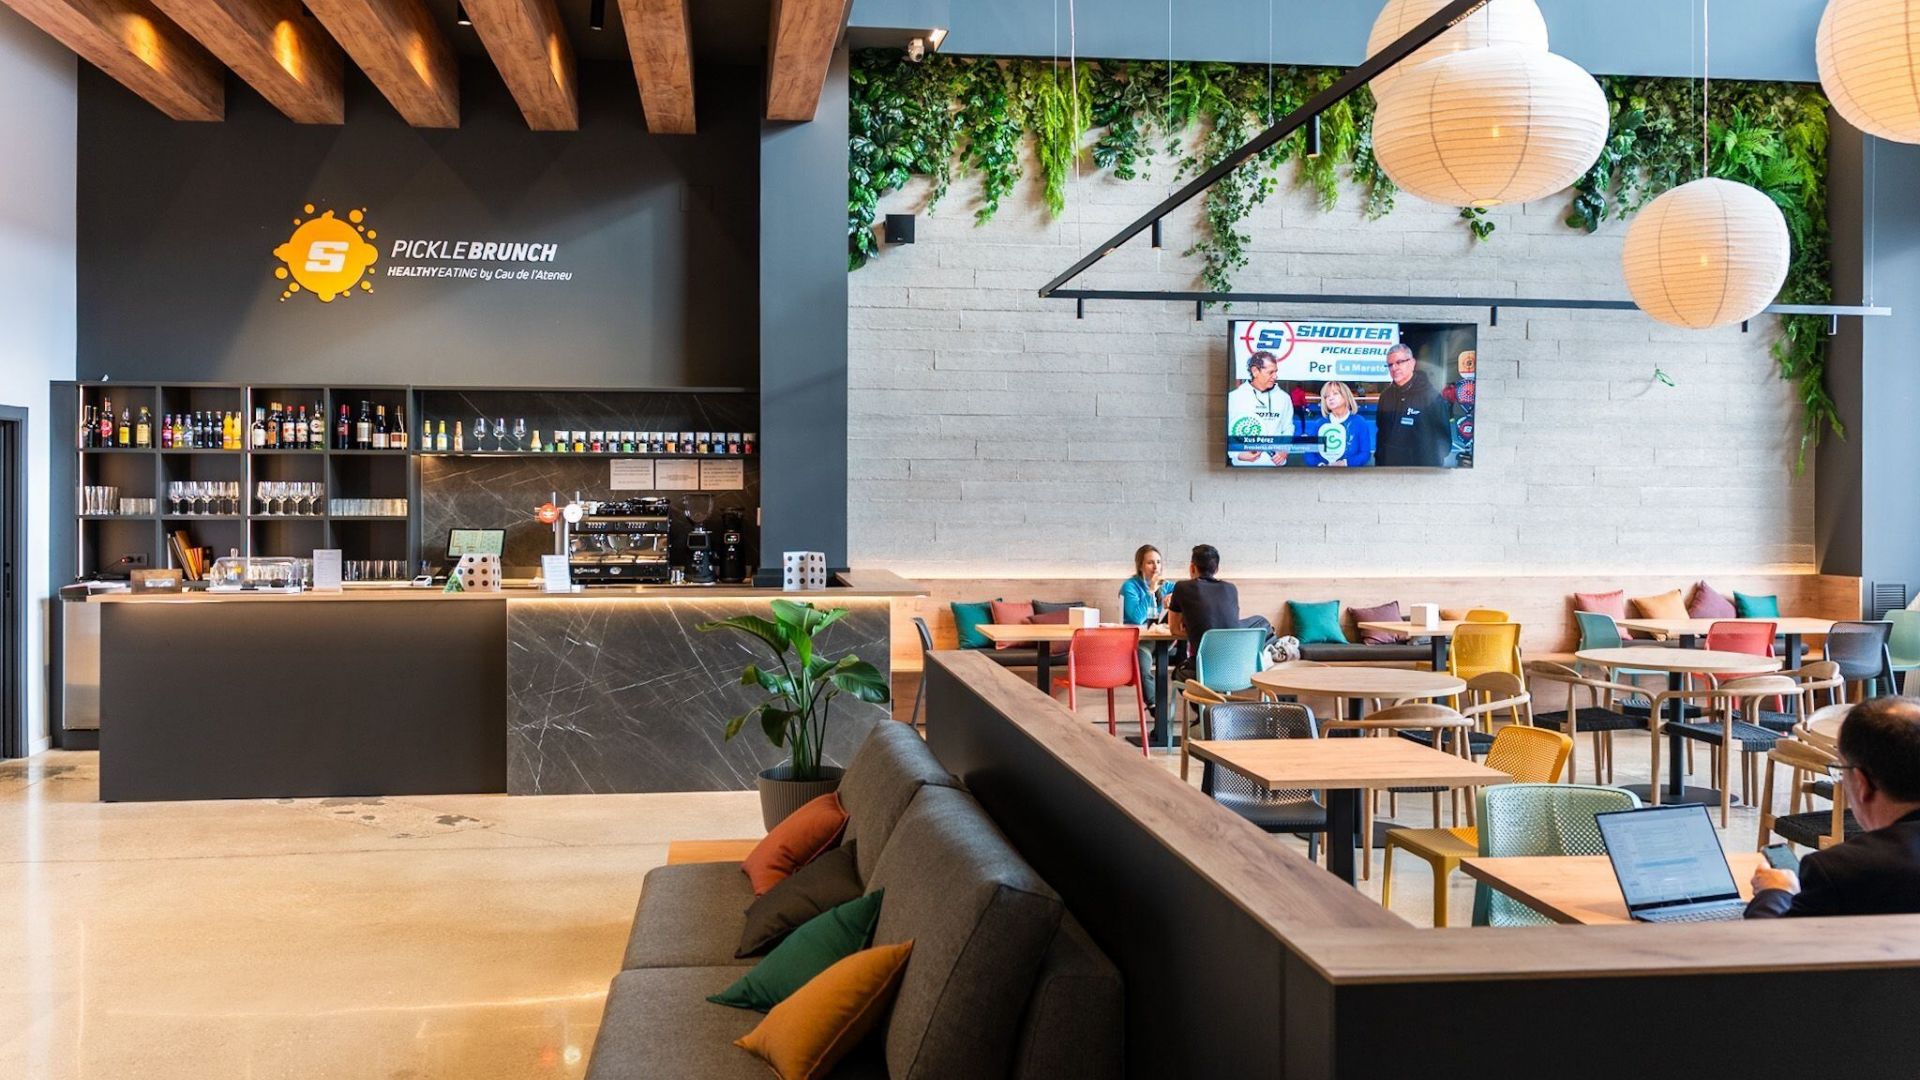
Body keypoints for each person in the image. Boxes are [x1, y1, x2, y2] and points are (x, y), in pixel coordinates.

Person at [1746, 697, 1920, 918]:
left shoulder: (1838, 871)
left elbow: (1772, 939)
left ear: (1861, 783)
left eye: (1841, 772)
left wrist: (1775, 892)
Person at [1167, 545, 1274, 668]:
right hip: (1234, 667)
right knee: (1262, 622)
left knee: (1177, 673)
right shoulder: (1231, 588)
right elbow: (1229, 624)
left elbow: (1174, 629)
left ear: (1192, 567)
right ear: (1217, 569)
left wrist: (1198, 632)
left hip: (1203, 667)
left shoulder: (1182, 587)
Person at [1119, 545, 1175, 716]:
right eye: (1150, 563)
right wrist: (1151, 590)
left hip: (1159, 639)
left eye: (1158, 562)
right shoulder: (1130, 587)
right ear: (1140, 565)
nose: (1156, 567)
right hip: (1136, 640)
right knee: (1142, 656)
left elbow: (1186, 592)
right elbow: (1137, 618)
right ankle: (1154, 707)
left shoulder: (1165, 585)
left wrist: (1173, 596)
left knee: (1183, 606)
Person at [1374, 344, 1450, 468]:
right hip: (1389, 469)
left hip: (1419, 471)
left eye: (1399, 362)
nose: (1394, 368)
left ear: (1412, 363)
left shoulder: (1431, 397)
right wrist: (1379, 459)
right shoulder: (1385, 396)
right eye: (1390, 364)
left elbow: (1444, 441)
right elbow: (1381, 432)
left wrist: (1429, 464)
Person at [1227, 351, 1293, 466]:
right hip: (1242, 468)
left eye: (1276, 372)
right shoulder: (1234, 397)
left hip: (1275, 466)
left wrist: (1284, 450)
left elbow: (1288, 428)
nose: (1275, 376)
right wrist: (1238, 455)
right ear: (1255, 371)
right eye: (1270, 372)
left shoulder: (1284, 398)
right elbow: (1227, 430)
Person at [1302, 380, 1376, 467]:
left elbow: (1365, 454)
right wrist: (1320, 465)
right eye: (1327, 396)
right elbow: (1309, 452)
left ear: (1345, 396)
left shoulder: (1359, 422)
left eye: (1335, 394)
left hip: (1351, 473)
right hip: (1324, 473)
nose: (1330, 398)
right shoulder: (1319, 424)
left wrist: (1345, 463)